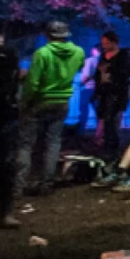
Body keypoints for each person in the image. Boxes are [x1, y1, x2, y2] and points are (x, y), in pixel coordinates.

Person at [15, 20, 86, 195]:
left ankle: (18, 187)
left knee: (26, 144)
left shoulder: (42, 53)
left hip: (39, 101)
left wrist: (24, 102)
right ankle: (47, 184)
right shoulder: (78, 52)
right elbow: (80, 67)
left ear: (47, 35)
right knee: (53, 142)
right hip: (62, 102)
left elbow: (33, 81)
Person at [90, 30, 130, 155]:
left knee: (113, 119)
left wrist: (111, 75)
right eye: (103, 43)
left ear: (114, 42)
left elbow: (127, 72)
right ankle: (105, 143)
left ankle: (113, 146)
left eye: (106, 43)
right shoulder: (103, 56)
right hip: (103, 91)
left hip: (117, 91)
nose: (104, 46)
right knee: (104, 118)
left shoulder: (123, 54)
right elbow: (97, 73)